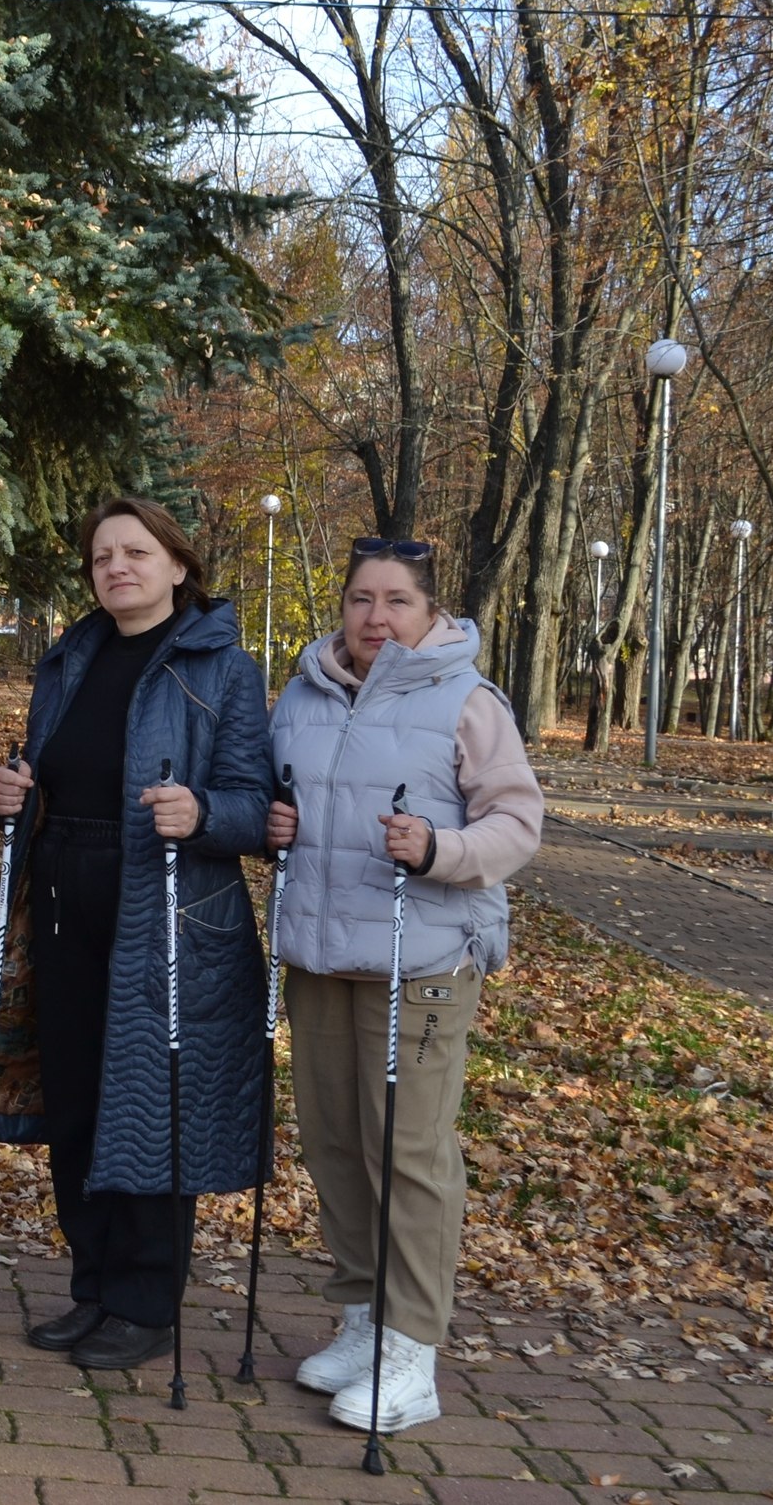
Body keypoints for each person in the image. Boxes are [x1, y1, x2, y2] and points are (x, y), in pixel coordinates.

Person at [0, 497, 271, 1370]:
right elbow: (48, 772)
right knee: (74, 1097)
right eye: (102, 554)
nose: (117, 567)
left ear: (179, 565)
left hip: (168, 908)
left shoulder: (222, 667)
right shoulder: (70, 658)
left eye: (136, 552)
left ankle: (145, 1302)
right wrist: (15, 796)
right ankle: (92, 1287)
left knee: (152, 1102)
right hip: (63, 897)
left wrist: (206, 811)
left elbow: (259, 807)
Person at [263, 537, 542, 1433]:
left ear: (430, 614)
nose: (375, 618)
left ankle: (411, 1349)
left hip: (419, 959)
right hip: (319, 955)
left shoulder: (466, 699)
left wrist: (439, 848)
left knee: (408, 1151)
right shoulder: (302, 693)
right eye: (360, 600)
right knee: (336, 1141)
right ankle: (360, 1318)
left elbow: (516, 822)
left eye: (396, 602)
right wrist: (276, 825)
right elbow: (288, 800)